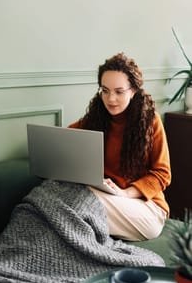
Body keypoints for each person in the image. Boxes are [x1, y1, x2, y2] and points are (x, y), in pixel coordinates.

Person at [69, 52, 171, 241]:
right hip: (107, 198)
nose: (110, 99)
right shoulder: (94, 120)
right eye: (105, 90)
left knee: (80, 201)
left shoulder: (151, 122)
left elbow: (162, 174)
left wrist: (125, 193)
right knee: (60, 192)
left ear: (133, 91)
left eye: (119, 91)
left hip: (146, 207)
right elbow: (64, 139)